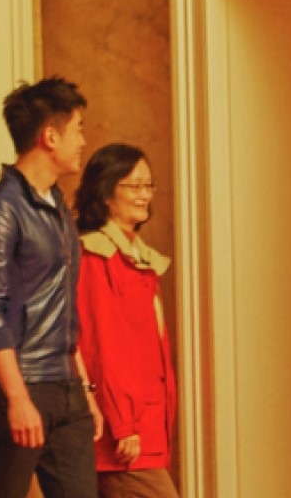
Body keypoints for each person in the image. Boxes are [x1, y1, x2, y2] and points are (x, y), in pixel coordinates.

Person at [0, 77, 104, 498]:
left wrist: (83, 390)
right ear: (50, 136)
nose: (83, 140)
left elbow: (63, 308)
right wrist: (18, 398)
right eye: (78, 127)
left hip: (65, 389)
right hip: (19, 386)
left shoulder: (59, 207)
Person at [74, 145, 178, 498]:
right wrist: (124, 424)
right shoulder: (95, 257)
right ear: (105, 194)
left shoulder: (135, 254)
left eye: (149, 185)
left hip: (145, 427)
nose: (145, 195)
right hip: (124, 435)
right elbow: (102, 345)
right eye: (134, 186)